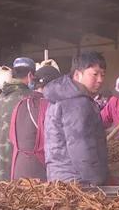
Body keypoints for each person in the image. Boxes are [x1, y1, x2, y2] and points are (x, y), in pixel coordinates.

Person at [44, 51, 108, 185]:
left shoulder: (62, 96)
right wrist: (95, 180)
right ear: (78, 74)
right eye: (95, 74)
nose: (100, 79)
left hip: (59, 175)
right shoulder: (77, 103)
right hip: (77, 181)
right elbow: (80, 147)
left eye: (103, 74)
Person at [9, 65, 61, 181]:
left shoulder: (20, 104)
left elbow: (12, 137)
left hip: (18, 167)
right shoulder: (48, 105)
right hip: (38, 171)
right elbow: (54, 142)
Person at [0, 57, 35, 182]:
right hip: (17, 161)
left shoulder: (2, 95)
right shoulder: (28, 97)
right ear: (30, 75)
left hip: (1, 157)